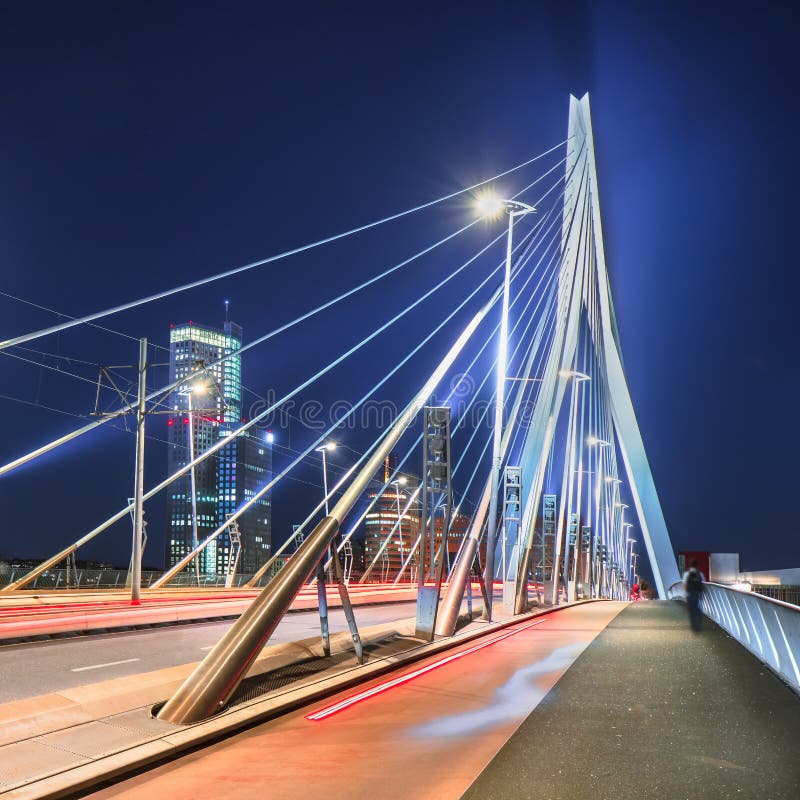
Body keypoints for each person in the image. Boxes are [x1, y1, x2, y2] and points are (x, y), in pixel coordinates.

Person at [682, 560, 705, 632]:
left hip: (689, 594)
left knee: (691, 610)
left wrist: (685, 594)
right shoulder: (700, 574)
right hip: (697, 593)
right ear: (697, 565)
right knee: (696, 607)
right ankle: (699, 617)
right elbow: (703, 584)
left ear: (690, 565)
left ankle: (694, 627)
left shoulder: (686, 574)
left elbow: (685, 585)